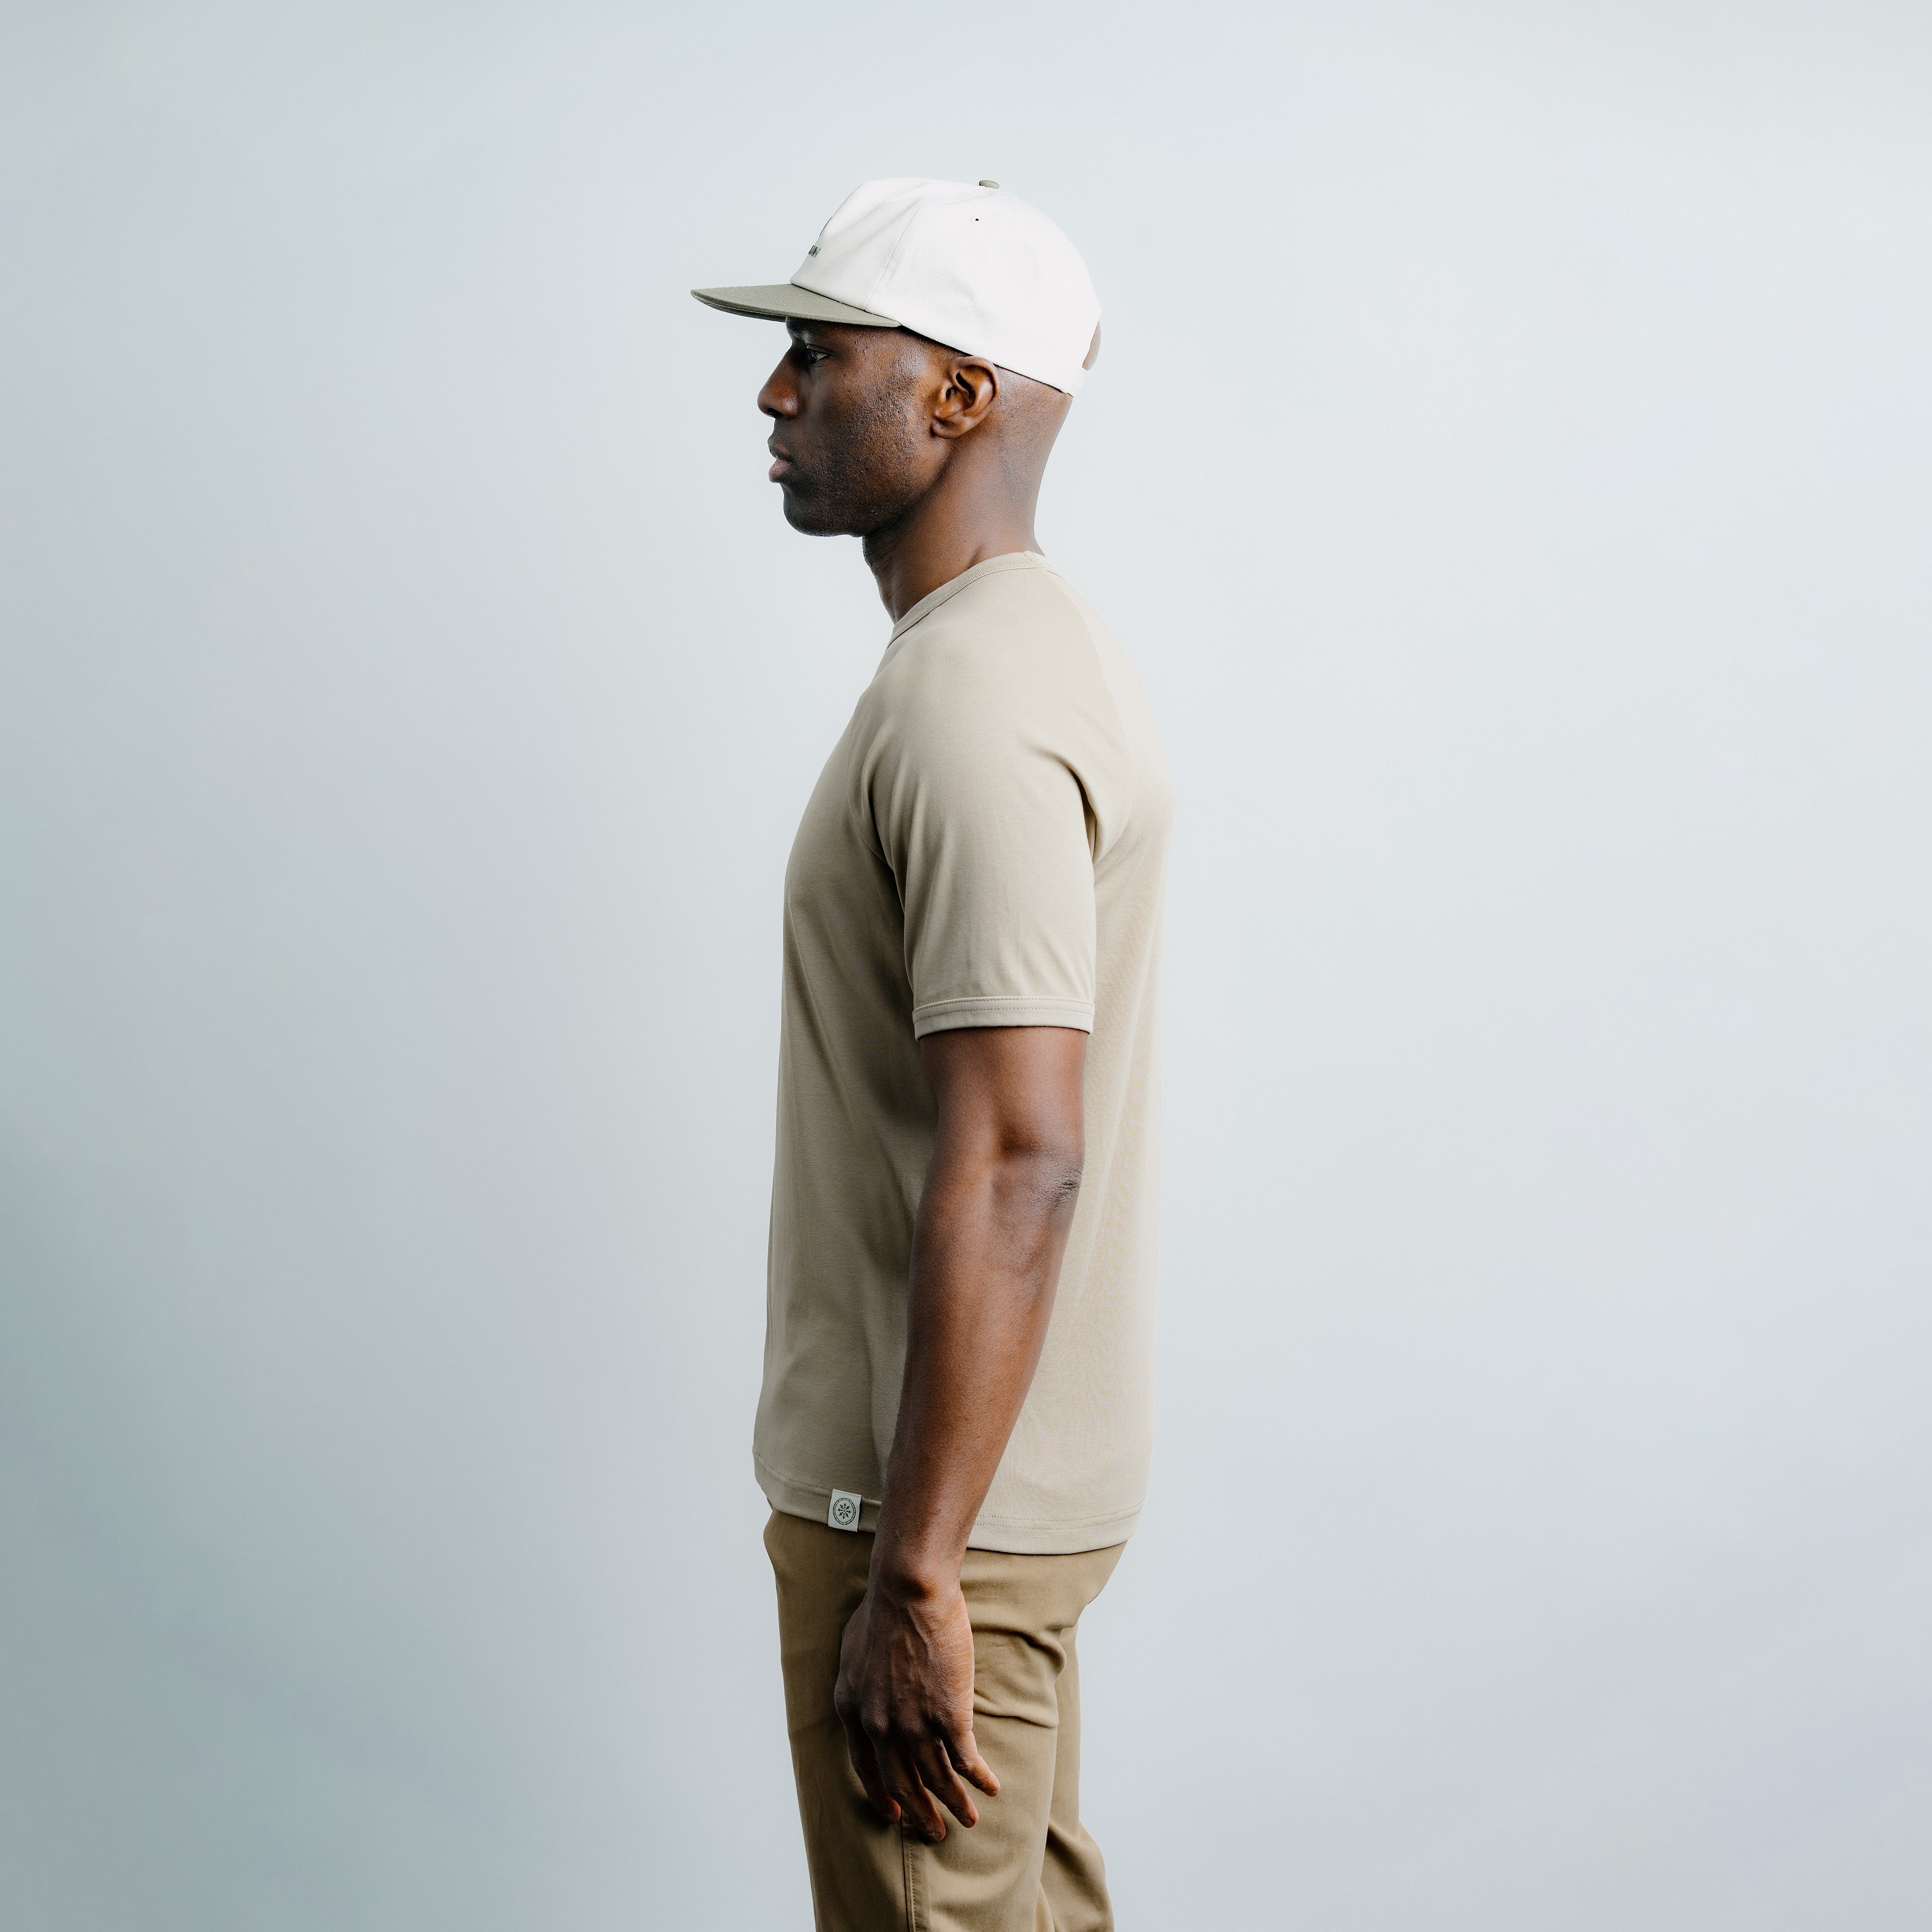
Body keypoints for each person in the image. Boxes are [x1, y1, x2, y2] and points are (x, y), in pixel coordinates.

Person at [692, 178, 1173, 1932]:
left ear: (957, 396)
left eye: (818, 356)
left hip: (927, 1514)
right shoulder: (1008, 657)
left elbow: (1017, 1155)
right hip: (969, 1496)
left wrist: (907, 1569)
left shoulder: (973, 702)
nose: (774, 396)